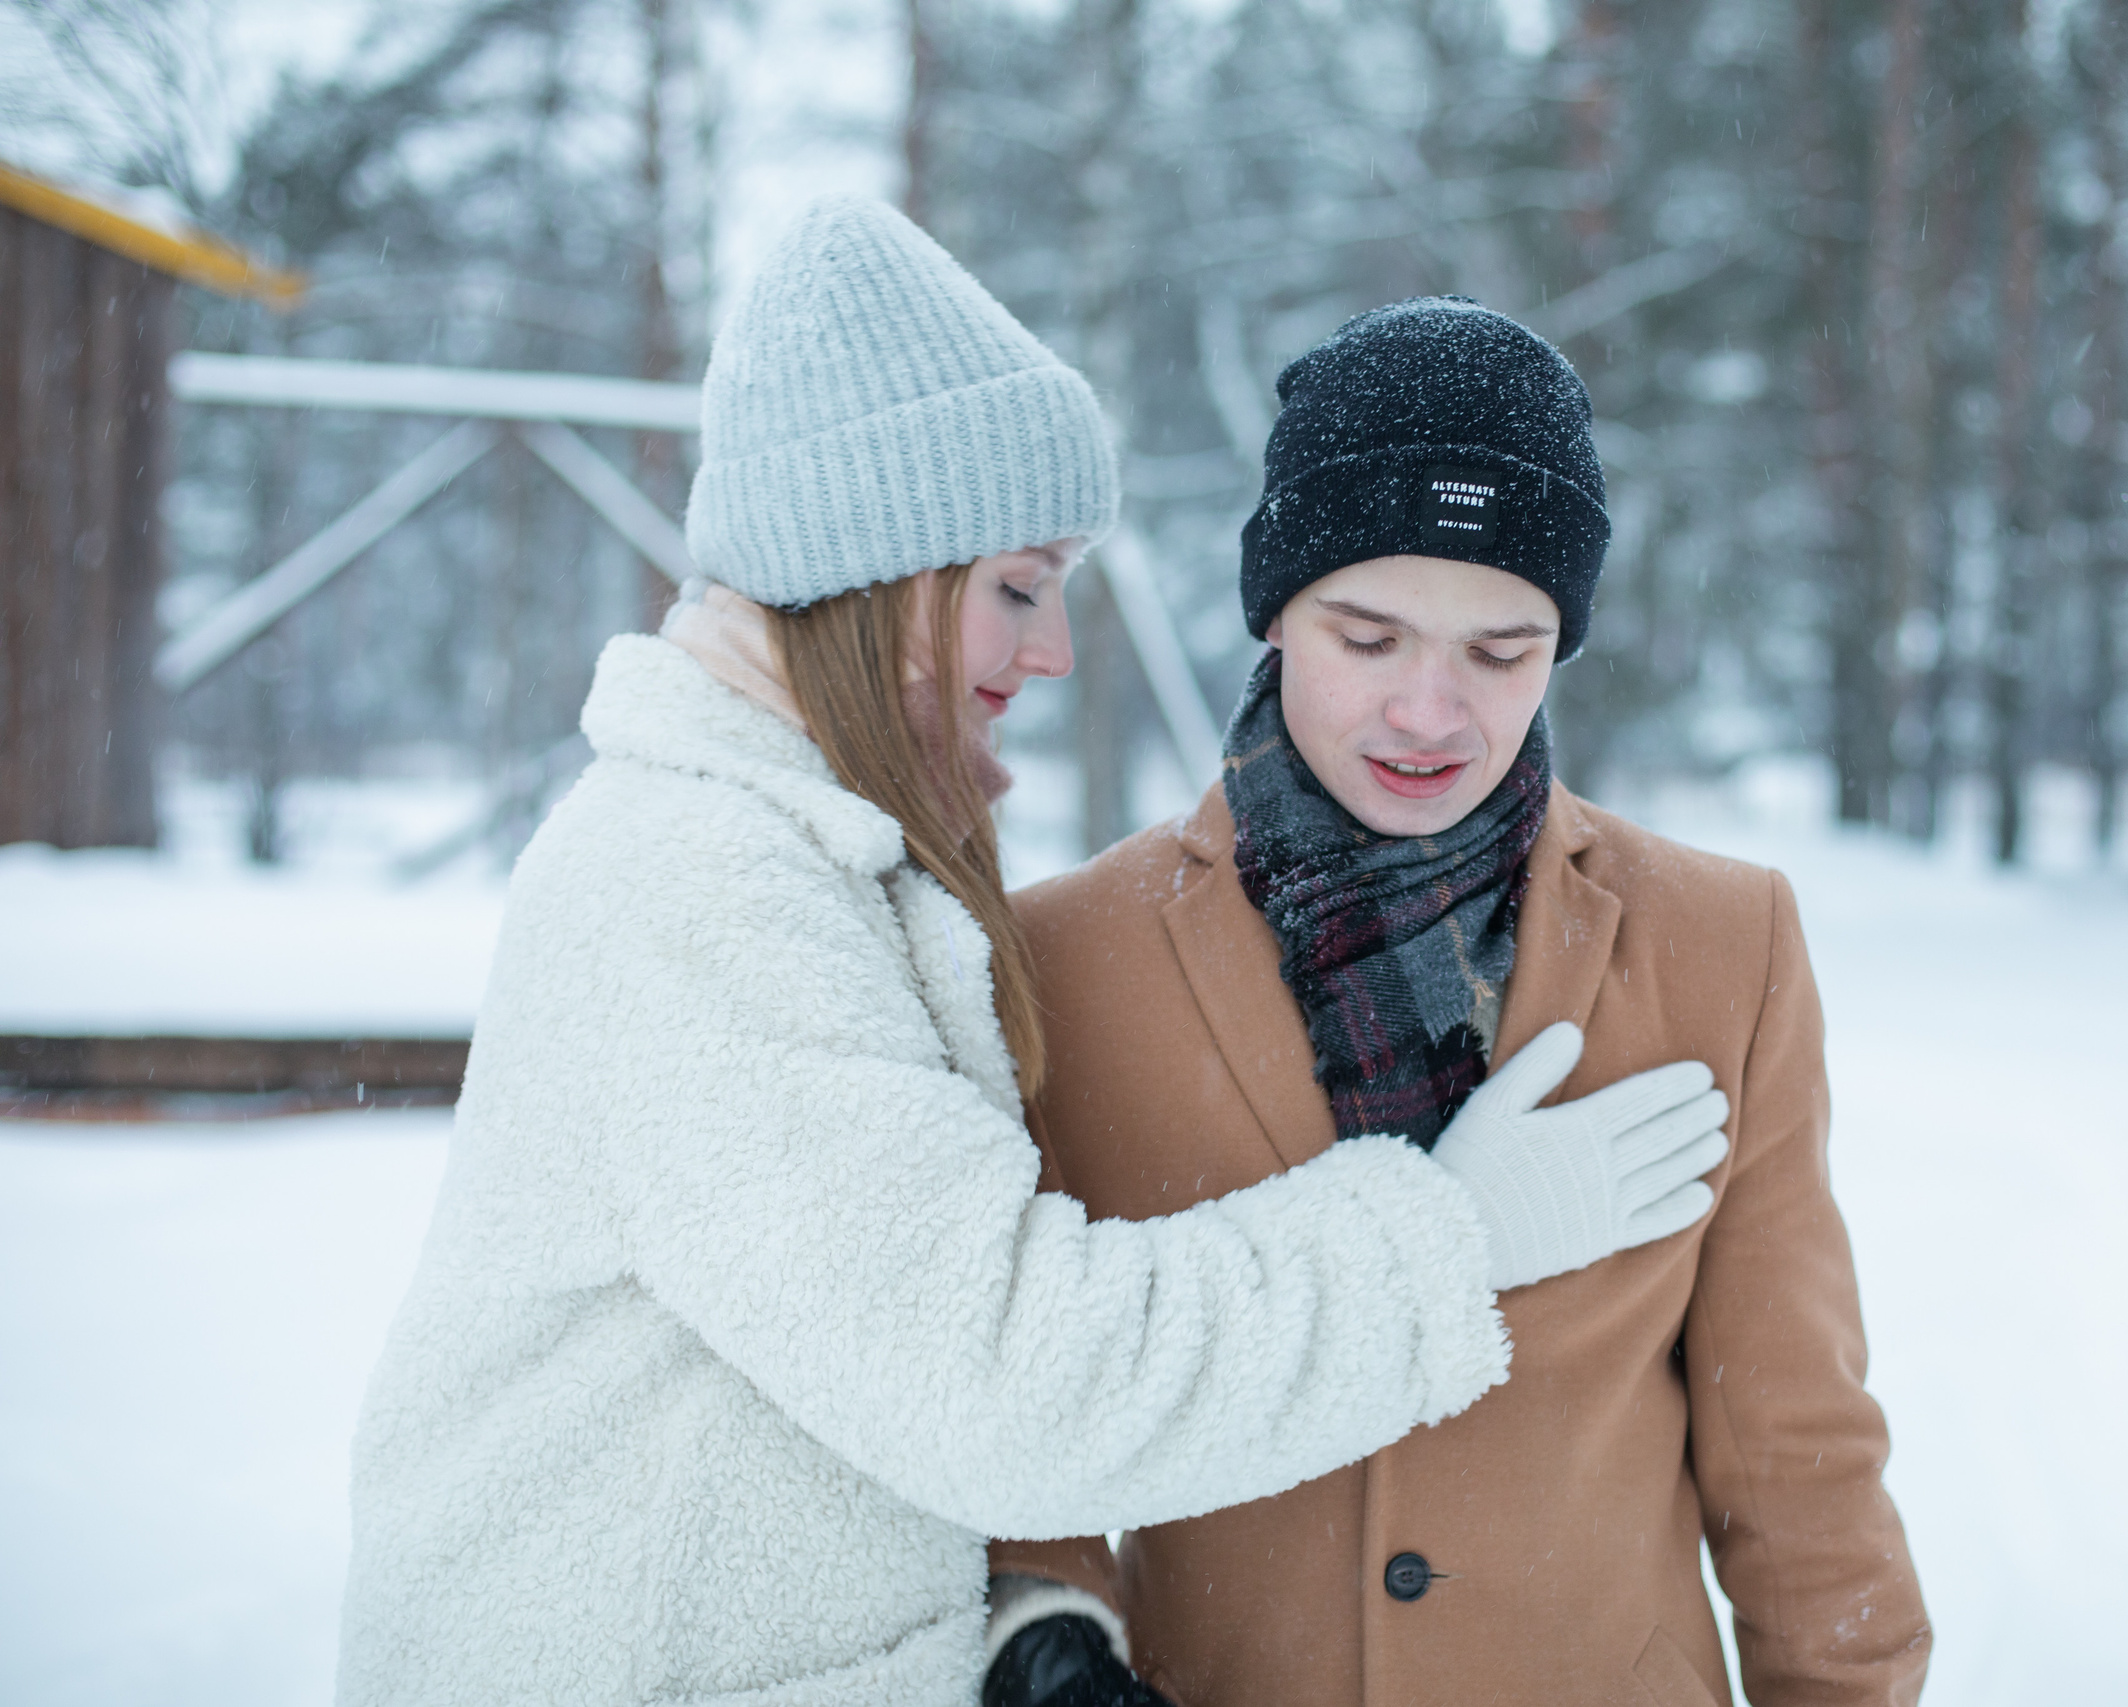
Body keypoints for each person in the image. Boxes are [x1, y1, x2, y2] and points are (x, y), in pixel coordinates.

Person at [333, 205, 1733, 1707]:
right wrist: (1441, 1241)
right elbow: (995, 1374)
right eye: (1015, 584)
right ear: (874, 576)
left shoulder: (814, 860)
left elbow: (879, 1343)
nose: (1054, 648)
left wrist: (1015, 1625)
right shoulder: (701, 890)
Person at [984, 299, 1930, 1707]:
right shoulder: (1063, 960)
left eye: (1503, 651)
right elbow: (1016, 1406)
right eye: (1367, 638)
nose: (1432, 714)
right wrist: (1047, 1643)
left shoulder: (1724, 945)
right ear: (1276, 614)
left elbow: (1795, 1448)